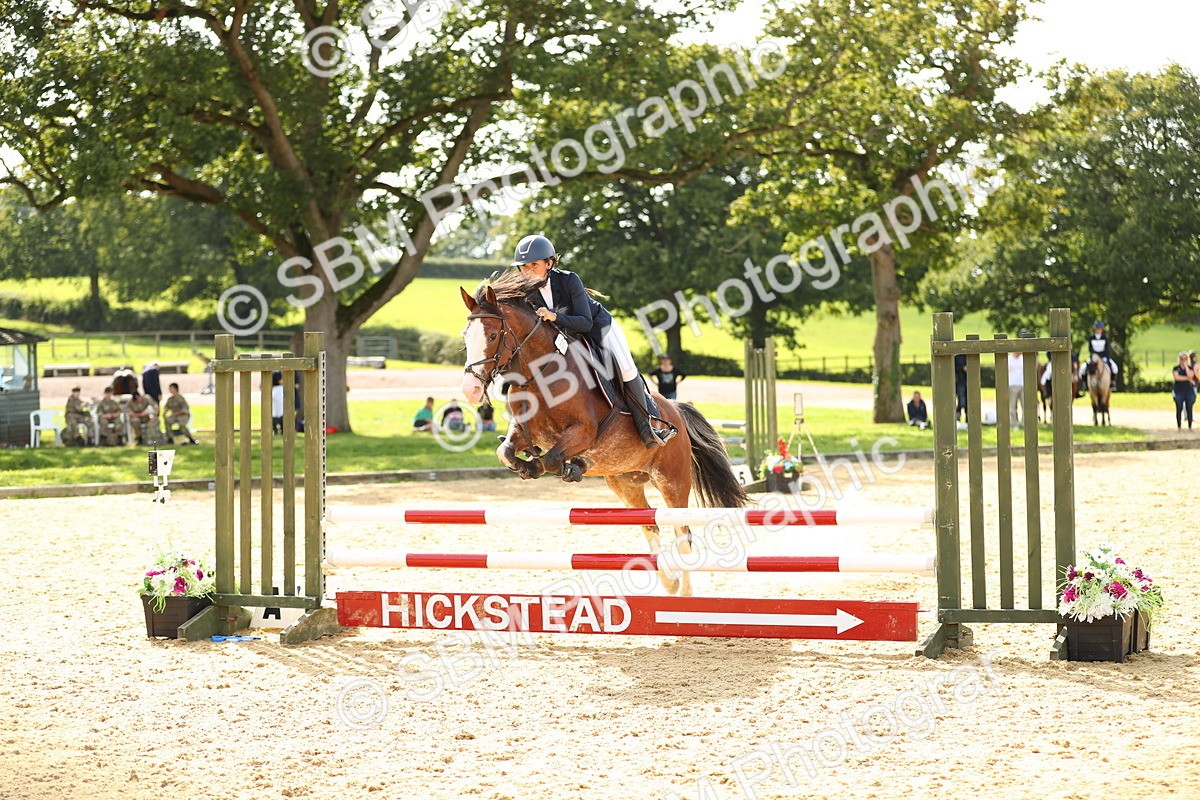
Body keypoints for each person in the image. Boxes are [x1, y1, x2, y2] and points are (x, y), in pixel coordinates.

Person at [512, 234, 671, 448]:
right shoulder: (525, 293)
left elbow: (585, 322)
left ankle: (649, 425)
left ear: (549, 263)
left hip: (599, 328)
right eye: (523, 266)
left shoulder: (569, 280)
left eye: (534, 264)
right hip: (566, 337)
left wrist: (554, 316)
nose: (528, 271)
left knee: (625, 369)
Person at [1080, 320, 1118, 390]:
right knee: (1083, 368)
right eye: (1097, 328)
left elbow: (1107, 349)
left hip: (1103, 357)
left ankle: (1112, 383)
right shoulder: (1091, 338)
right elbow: (1090, 349)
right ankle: (1085, 383)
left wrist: (1106, 358)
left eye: (1100, 328)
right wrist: (1093, 357)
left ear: (1102, 329)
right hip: (1094, 357)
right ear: (1095, 329)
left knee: (1115, 368)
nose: (1098, 330)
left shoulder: (1105, 338)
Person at [1172, 351, 1196, 430]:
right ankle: (1179, 426)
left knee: (1189, 408)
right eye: (1182, 359)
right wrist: (1188, 379)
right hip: (1179, 391)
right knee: (1179, 408)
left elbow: (1191, 375)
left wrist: (1186, 367)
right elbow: (1177, 378)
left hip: (1188, 391)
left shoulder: (1190, 368)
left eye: (1185, 359)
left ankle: (1190, 426)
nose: (1183, 360)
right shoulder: (1176, 368)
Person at [954, 353, 968, 422]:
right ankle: (958, 416)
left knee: (967, 400)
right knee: (962, 400)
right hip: (960, 381)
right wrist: (962, 368)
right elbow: (954, 367)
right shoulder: (957, 357)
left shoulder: (967, 356)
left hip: (967, 381)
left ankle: (966, 419)